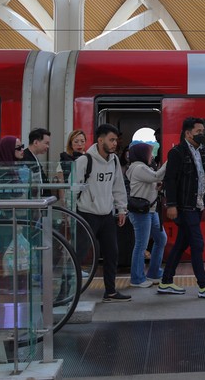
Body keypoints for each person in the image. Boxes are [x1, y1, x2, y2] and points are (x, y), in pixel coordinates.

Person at [159, 117, 205, 299]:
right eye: (198, 131)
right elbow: (170, 180)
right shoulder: (177, 153)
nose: (202, 134)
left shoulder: (203, 151)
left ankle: (166, 282)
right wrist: (171, 205)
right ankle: (204, 285)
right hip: (184, 206)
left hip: (198, 205)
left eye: (203, 131)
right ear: (188, 133)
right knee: (197, 243)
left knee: (181, 243)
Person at [73, 123, 131, 303]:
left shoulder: (114, 161)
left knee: (112, 254)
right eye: (111, 140)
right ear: (100, 140)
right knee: (78, 255)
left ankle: (110, 291)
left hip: (106, 215)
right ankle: (66, 293)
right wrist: (71, 214)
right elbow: (73, 189)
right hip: (86, 214)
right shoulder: (84, 161)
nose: (115, 143)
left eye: (116, 140)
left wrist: (121, 209)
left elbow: (118, 186)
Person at [126, 143, 167, 288]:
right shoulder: (139, 168)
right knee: (141, 245)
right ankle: (137, 278)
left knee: (161, 239)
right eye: (149, 153)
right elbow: (157, 176)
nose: (152, 156)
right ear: (142, 154)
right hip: (141, 212)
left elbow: (151, 181)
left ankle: (154, 272)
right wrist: (168, 161)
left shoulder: (143, 168)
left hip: (150, 210)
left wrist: (157, 186)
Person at [55, 129, 87, 202]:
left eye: (82, 141)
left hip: (85, 197)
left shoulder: (88, 158)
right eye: (76, 141)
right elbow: (61, 184)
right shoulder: (64, 159)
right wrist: (63, 200)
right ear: (70, 144)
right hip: (70, 197)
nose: (79, 144)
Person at [22, 128, 51, 197]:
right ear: (36, 142)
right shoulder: (26, 158)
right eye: (46, 143)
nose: (48, 146)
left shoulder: (33, 156)